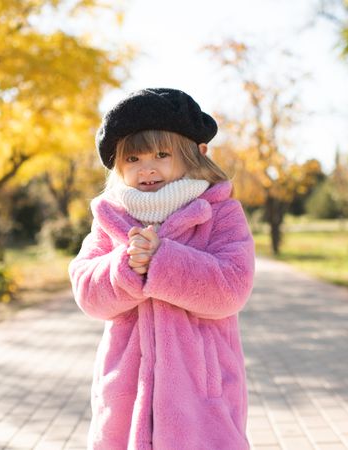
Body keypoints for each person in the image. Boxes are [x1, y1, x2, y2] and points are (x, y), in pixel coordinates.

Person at [69, 87, 255, 449]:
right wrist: (125, 266)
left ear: (195, 154)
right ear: (118, 165)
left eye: (162, 153)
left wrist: (163, 262)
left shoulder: (220, 212)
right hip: (126, 394)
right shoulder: (110, 219)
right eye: (133, 158)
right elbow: (87, 291)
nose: (147, 167)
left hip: (202, 398)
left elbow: (232, 287)